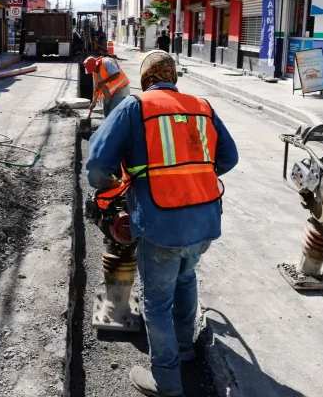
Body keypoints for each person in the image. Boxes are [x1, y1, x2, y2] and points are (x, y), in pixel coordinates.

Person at [86, 51, 239, 397]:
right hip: (204, 222)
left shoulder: (135, 107)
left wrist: (112, 188)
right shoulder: (202, 106)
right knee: (185, 280)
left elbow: (96, 164)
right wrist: (194, 178)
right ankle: (185, 348)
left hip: (161, 224)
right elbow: (229, 158)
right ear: (174, 76)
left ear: (146, 79)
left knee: (156, 303)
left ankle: (166, 381)